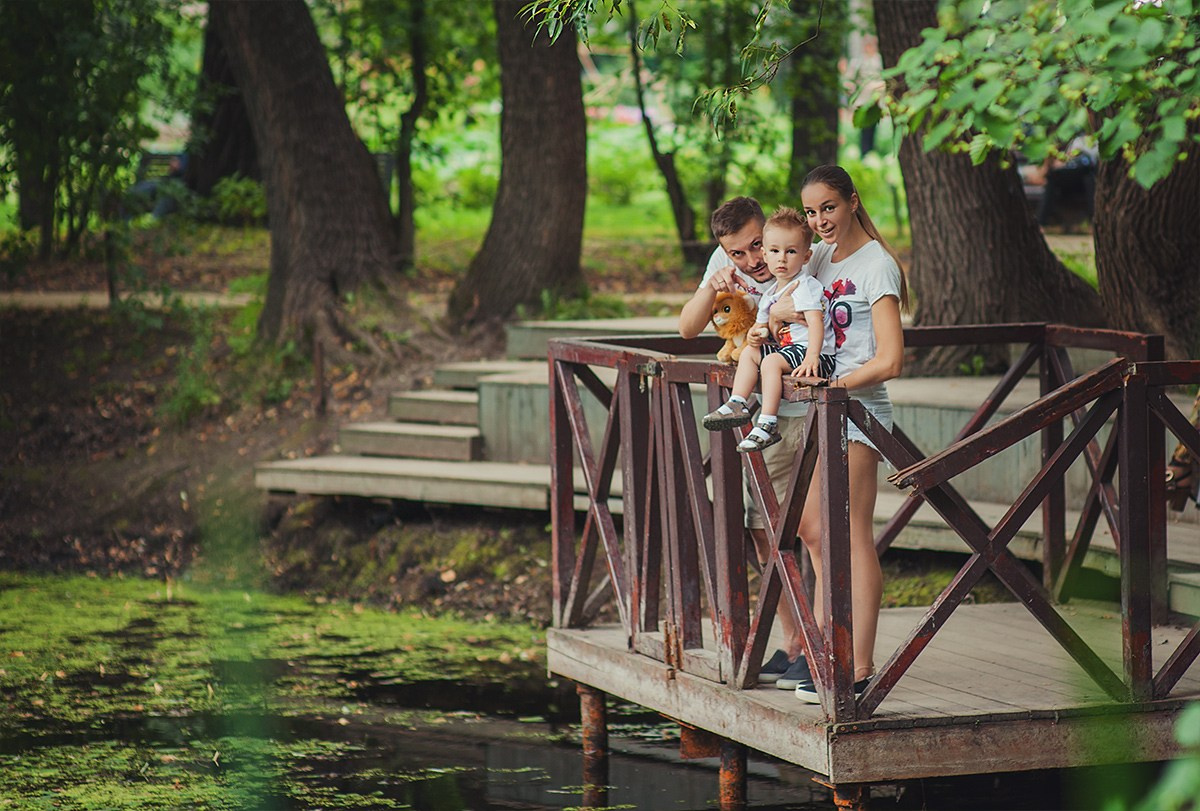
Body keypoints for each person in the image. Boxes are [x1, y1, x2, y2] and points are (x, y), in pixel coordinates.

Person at [781, 164, 909, 704]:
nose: (819, 220)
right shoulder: (818, 257)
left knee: (853, 534)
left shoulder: (876, 266)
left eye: (828, 208)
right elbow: (781, 292)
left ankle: (857, 666)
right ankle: (826, 645)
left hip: (858, 413)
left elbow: (890, 360)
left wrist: (834, 381)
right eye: (812, 212)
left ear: (853, 202)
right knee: (811, 528)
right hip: (822, 410)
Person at [678, 197, 812, 689]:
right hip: (758, 418)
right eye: (738, 253)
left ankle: (809, 648)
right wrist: (714, 286)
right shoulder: (725, 264)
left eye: (758, 245)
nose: (754, 260)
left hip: (798, 412)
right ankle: (793, 642)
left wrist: (764, 306)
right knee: (764, 535)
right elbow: (689, 327)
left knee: (797, 534)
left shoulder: (792, 252)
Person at [701, 207, 836, 454]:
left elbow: (816, 323)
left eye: (791, 252)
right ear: (766, 252)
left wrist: (813, 356)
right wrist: (755, 335)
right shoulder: (771, 294)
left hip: (814, 354)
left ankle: (767, 423)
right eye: (774, 252)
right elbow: (762, 328)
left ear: (806, 257)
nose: (781, 259)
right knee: (750, 354)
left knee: (771, 362)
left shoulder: (804, 286)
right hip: (791, 350)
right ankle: (737, 402)